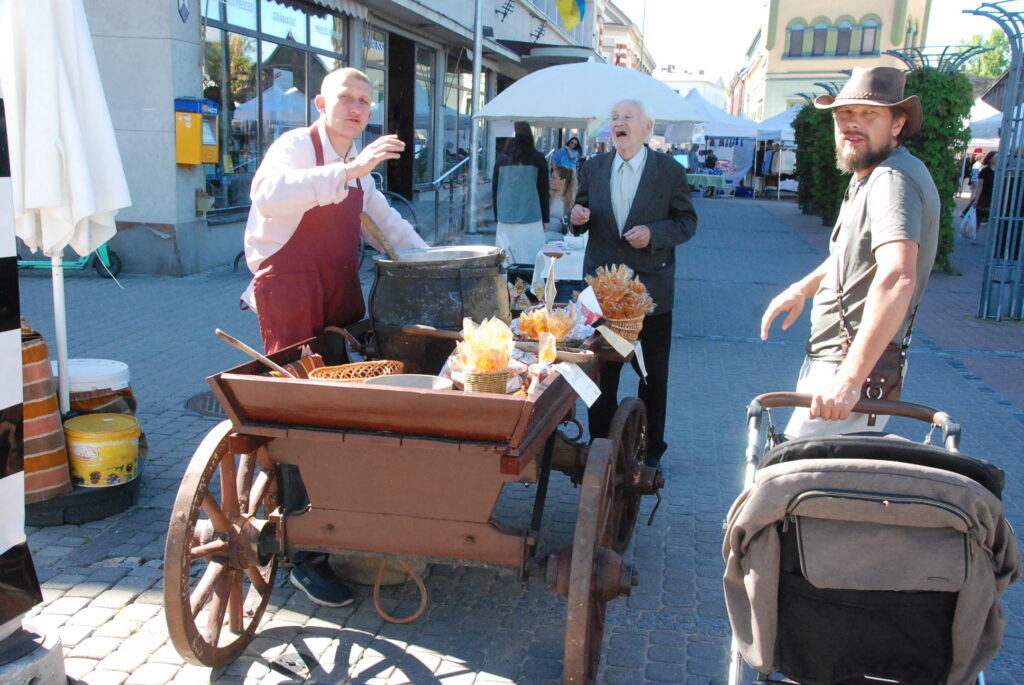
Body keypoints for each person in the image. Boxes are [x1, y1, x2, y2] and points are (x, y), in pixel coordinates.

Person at [242, 66, 427, 607]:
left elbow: (392, 229)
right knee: (301, 417)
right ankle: (304, 555)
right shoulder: (296, 146)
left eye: (365, 102)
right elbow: (268, 193)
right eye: (347, 98)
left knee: (343, 408)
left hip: (340, 296)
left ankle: (335, 517)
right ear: (322, 103)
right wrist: (348, 169)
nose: (356, 107)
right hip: (292, 292)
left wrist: (441, 263)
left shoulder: (361, 175)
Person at [760, 66, 939, 438]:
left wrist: (849, 379)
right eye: (844, 114)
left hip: (849, 368)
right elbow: (850, 255)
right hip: (841, 362)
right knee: (803, 483)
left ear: (897, 124)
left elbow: (896, 277)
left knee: (787, 484)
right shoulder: (873, 174)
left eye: (869, 115)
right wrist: (802, 288)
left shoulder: (891, 180)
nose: (852, 124)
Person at [570, 99, 698, 466]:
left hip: (650, 294)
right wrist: (577, 217)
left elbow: (687, 222)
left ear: (647, 127)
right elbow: (578, 216)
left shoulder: (669, 171)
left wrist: (654, 233)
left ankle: (651, 451)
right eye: (613, 118)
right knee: (600, 376)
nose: (618, 123)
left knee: (652, 378)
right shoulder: (593, 167)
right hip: (603, 295)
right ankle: (599, 448)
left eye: (627, 117)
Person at [492, 121, 549, 263]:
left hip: (505, 217)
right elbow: (543, 190)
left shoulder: (502, 159)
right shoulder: (538, 158)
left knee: (506, 262)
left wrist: (497, 216)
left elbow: (495, 189)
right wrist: (545, 218)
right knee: (532, 261)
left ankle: (508, 286)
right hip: (531, 216)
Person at [966, 150, 997, 228]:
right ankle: (973, 235)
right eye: (996, 156)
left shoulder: (1000, 171)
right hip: (985, 197)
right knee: (978, 219)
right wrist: (976, 200)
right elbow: (980, 187)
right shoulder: (984, 171)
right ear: (990, 159)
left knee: (993, 219)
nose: (998, 158)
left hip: (995, 198)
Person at [545, 166, 576, 242]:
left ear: (563, 181)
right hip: (542, 231)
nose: (550, 180)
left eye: (554, 178)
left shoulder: (572, 201)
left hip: (560, 237)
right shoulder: (547, 196)